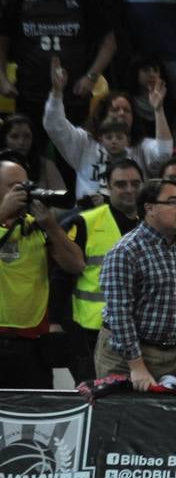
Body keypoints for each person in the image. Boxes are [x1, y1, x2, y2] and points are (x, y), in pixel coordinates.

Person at [94, 177, 176, 390]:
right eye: (172, 202)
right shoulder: (125, 251)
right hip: (125, 356)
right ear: (149, 208)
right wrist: (137, 366)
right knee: (124, 420)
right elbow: (119, 314)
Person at [0, 0, 116, 158]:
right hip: (30, 94)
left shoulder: (83, 0)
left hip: (73, 95)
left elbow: (109, 42)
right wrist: (3, 79)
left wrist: (91, 76)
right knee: (28, 156)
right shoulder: (19, 0)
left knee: (72, 158)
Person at [0, 154, 85, 389]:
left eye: (27, 185)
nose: (24, 192)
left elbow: (76, 264)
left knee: (31, 419)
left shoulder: (37, 226)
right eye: (14, 187)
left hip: (31, 345)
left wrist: (51, 225)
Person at [60, 158, 143, 382]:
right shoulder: (83, 223)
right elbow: (61, 279)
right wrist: (58, 323)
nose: (129, 190)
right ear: (107, 185)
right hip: (91, 330)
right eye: (121, 184)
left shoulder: (151, 223)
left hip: (140, 330)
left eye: (135, 184)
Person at [45, 58, 172, 203]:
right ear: (103, 115)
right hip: (90, 215)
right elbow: (53, 125)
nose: (121, 113)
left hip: (130, 216)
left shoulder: (141, 146)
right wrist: (56, 93)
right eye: (115, 109)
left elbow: (164, 155)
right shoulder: (85, 142)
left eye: (126, 110)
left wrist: (158, 109)